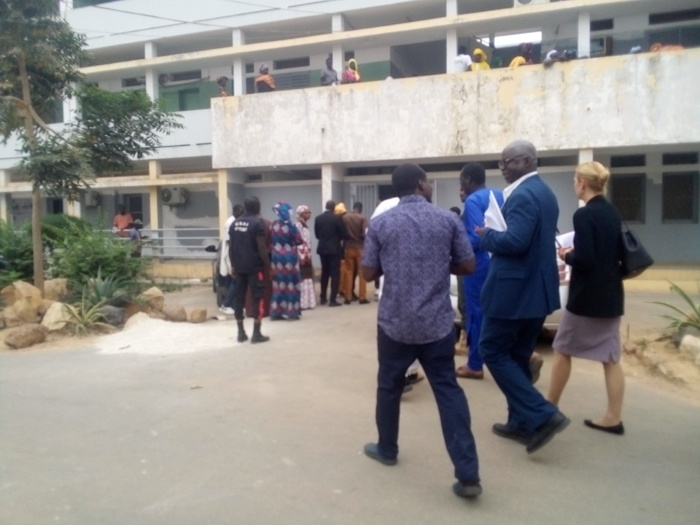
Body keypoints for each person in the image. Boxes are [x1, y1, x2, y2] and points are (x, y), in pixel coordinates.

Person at [361, 164, 481, 499]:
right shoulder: (447, 220)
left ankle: (387, 448)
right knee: (448, 392)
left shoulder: (381, 224)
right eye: (427, 180)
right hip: (436, 325)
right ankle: (468, 475)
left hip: (394, 324)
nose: (429, 184)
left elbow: (368, 273)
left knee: (388, 386)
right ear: (419, 184)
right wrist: (440, 265)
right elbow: (468, 265)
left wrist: (390, 263)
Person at [476, 140, 569, 454]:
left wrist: (487, 235)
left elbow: (516, 242)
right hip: (536, 291)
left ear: (528, 161)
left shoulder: (524, 195)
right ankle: (520, 422)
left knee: (491, 349)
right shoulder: (545, 192)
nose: (503, 168)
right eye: (501, 162)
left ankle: (543, 414)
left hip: (514, 292)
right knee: (517, 355)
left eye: (509, 161)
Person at [547, 161, 626, 435]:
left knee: (562, 349)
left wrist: (567, 254)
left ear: (582, 183)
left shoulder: (584, 215)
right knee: (610, 358)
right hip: (612, 295)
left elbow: (587, 259)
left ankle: (549, 409)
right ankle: (614, 417)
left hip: (586, 299)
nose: (574, 185)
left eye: (574, 180)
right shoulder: (612, 212)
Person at [456, 163, 504, 380]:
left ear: (468, 179)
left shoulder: (473, 200)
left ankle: (475, 365)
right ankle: (523, 355)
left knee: (476, 312)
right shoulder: (499, 194)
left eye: (461, 180)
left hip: (479, 264)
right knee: (499, 311)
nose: (461, 185)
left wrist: (456, 251)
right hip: (501, 260)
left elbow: (476, 237)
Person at [230, 196, 271, 343]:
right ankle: (256, 333)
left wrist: (233, 265)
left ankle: (240, 333)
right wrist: (269, 267)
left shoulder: (234, 223)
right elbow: (262, 248)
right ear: (257, 207)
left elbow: (231, 247)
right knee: (257, 298)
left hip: (239, 267)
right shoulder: (257, 224)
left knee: (239, 298)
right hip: (255, 268)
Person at [269, 202, 303, 321]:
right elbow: (299, 240)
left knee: (279, 284)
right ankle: (291, 311)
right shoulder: (292, 226)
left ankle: (276, 311)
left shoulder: (273, 225)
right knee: (292, 284)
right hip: (290, 258)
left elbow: (269, 240)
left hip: (276, 258)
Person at [314, 200, 346, 306]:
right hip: (334, 249)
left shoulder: (318, 218)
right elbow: (343, 234)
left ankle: (323, 297)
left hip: (322, 249)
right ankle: (332, 299)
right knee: (335, 274)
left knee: (325, 273)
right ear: (334, 207)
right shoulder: (337, 219)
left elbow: (317, 235)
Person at [219, 204, 245, 316]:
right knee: (236, 280)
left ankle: (234, 305)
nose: (242, 215)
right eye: (240, 212)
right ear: (235, 212)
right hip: (231, 255)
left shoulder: (234, 221)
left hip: (234, 255)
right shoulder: (231, 223)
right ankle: (226, 304)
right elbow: (230, 242)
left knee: (235, 281)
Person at [342, 202, 369, 305]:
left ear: (353, 207)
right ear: (360, 209)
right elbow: (365, 234)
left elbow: (342, 232)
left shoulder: (345, 218)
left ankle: (348, 297)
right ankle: (362, 297)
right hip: (360, 248)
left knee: (348, 272)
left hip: (348, 247)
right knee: (362, 272)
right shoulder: (362, 218)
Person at [295, 205, 316, 310]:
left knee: (307, 277)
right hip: (301, 255)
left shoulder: (304, 225)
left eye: (309, 212)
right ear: (300, 214)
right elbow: (297, 240)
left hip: (307, 255)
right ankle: (302, 302)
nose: (309, 214)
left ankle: (308, 302)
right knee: (302, 278)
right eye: (306, 213)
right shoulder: (298, 225)